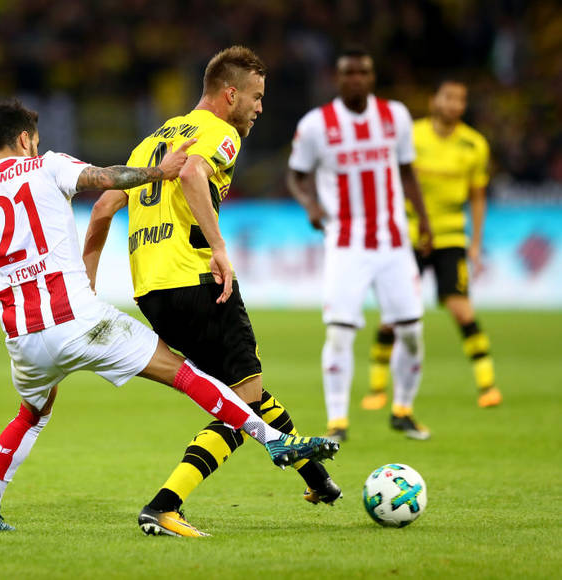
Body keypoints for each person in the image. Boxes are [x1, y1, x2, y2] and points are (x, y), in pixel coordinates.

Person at [0, 99, 339, 533]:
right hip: (82, 322)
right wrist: (160, 170)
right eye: (33, 139)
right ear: (25, 140)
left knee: (31, 413)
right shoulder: (49, 165)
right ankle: (274, 440)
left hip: (23, 339)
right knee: (183, 372)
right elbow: (108, 179)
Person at [83, 46, 342, 539]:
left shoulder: (152, 141)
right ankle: (165, 504)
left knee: (245, 387)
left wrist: (84, 286)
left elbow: (101, 210)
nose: (259, 108)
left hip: (152, 291)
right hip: (197, 278)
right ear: (229, 94)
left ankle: (317, 479)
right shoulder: (221, 133)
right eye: (256, 97)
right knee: (242, 396)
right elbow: (192, 173)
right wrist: (219, 248)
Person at [286, 47, 434, 442]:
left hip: (394, 242)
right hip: (346, 244)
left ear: (372, 77)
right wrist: (310, 204)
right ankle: (337, 421)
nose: (356, 79)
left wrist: (424, 220)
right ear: (338, 79)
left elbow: (407, 171)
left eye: (363, 72)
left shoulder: (395, 116)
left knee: (411, 331)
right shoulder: (316, 125)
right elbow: (296, 175)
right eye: (349, 73)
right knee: (339, 333)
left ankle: (403, 410)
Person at [362, 79, 501, 410]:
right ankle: (377, 389)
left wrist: (476, 243)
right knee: (392, 314)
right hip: (408, 235)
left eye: (460, 99)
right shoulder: (411, 135)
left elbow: (478, 197)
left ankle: (487, 385)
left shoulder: (474, 144)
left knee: (461, 309)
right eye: (448, 97)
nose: (454, 104)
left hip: (450, 236)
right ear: (433, 100)